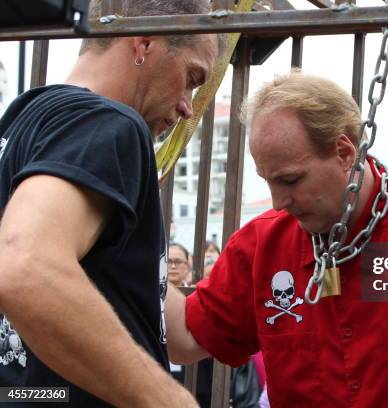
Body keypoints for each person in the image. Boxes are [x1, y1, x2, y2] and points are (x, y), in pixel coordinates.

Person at [165, 70, 388, 407]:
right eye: (268, 181)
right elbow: (186, 338)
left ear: (344, 152)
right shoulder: (262, 247)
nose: (279, 202)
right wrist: (132, 230)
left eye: (291, 180)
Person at [0, 0, 218, 406]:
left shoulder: (24, 119)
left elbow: (166, 325)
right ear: (145, 44)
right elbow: (26, 265)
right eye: (191, 77)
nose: (189, 107)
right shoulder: (109, 123)